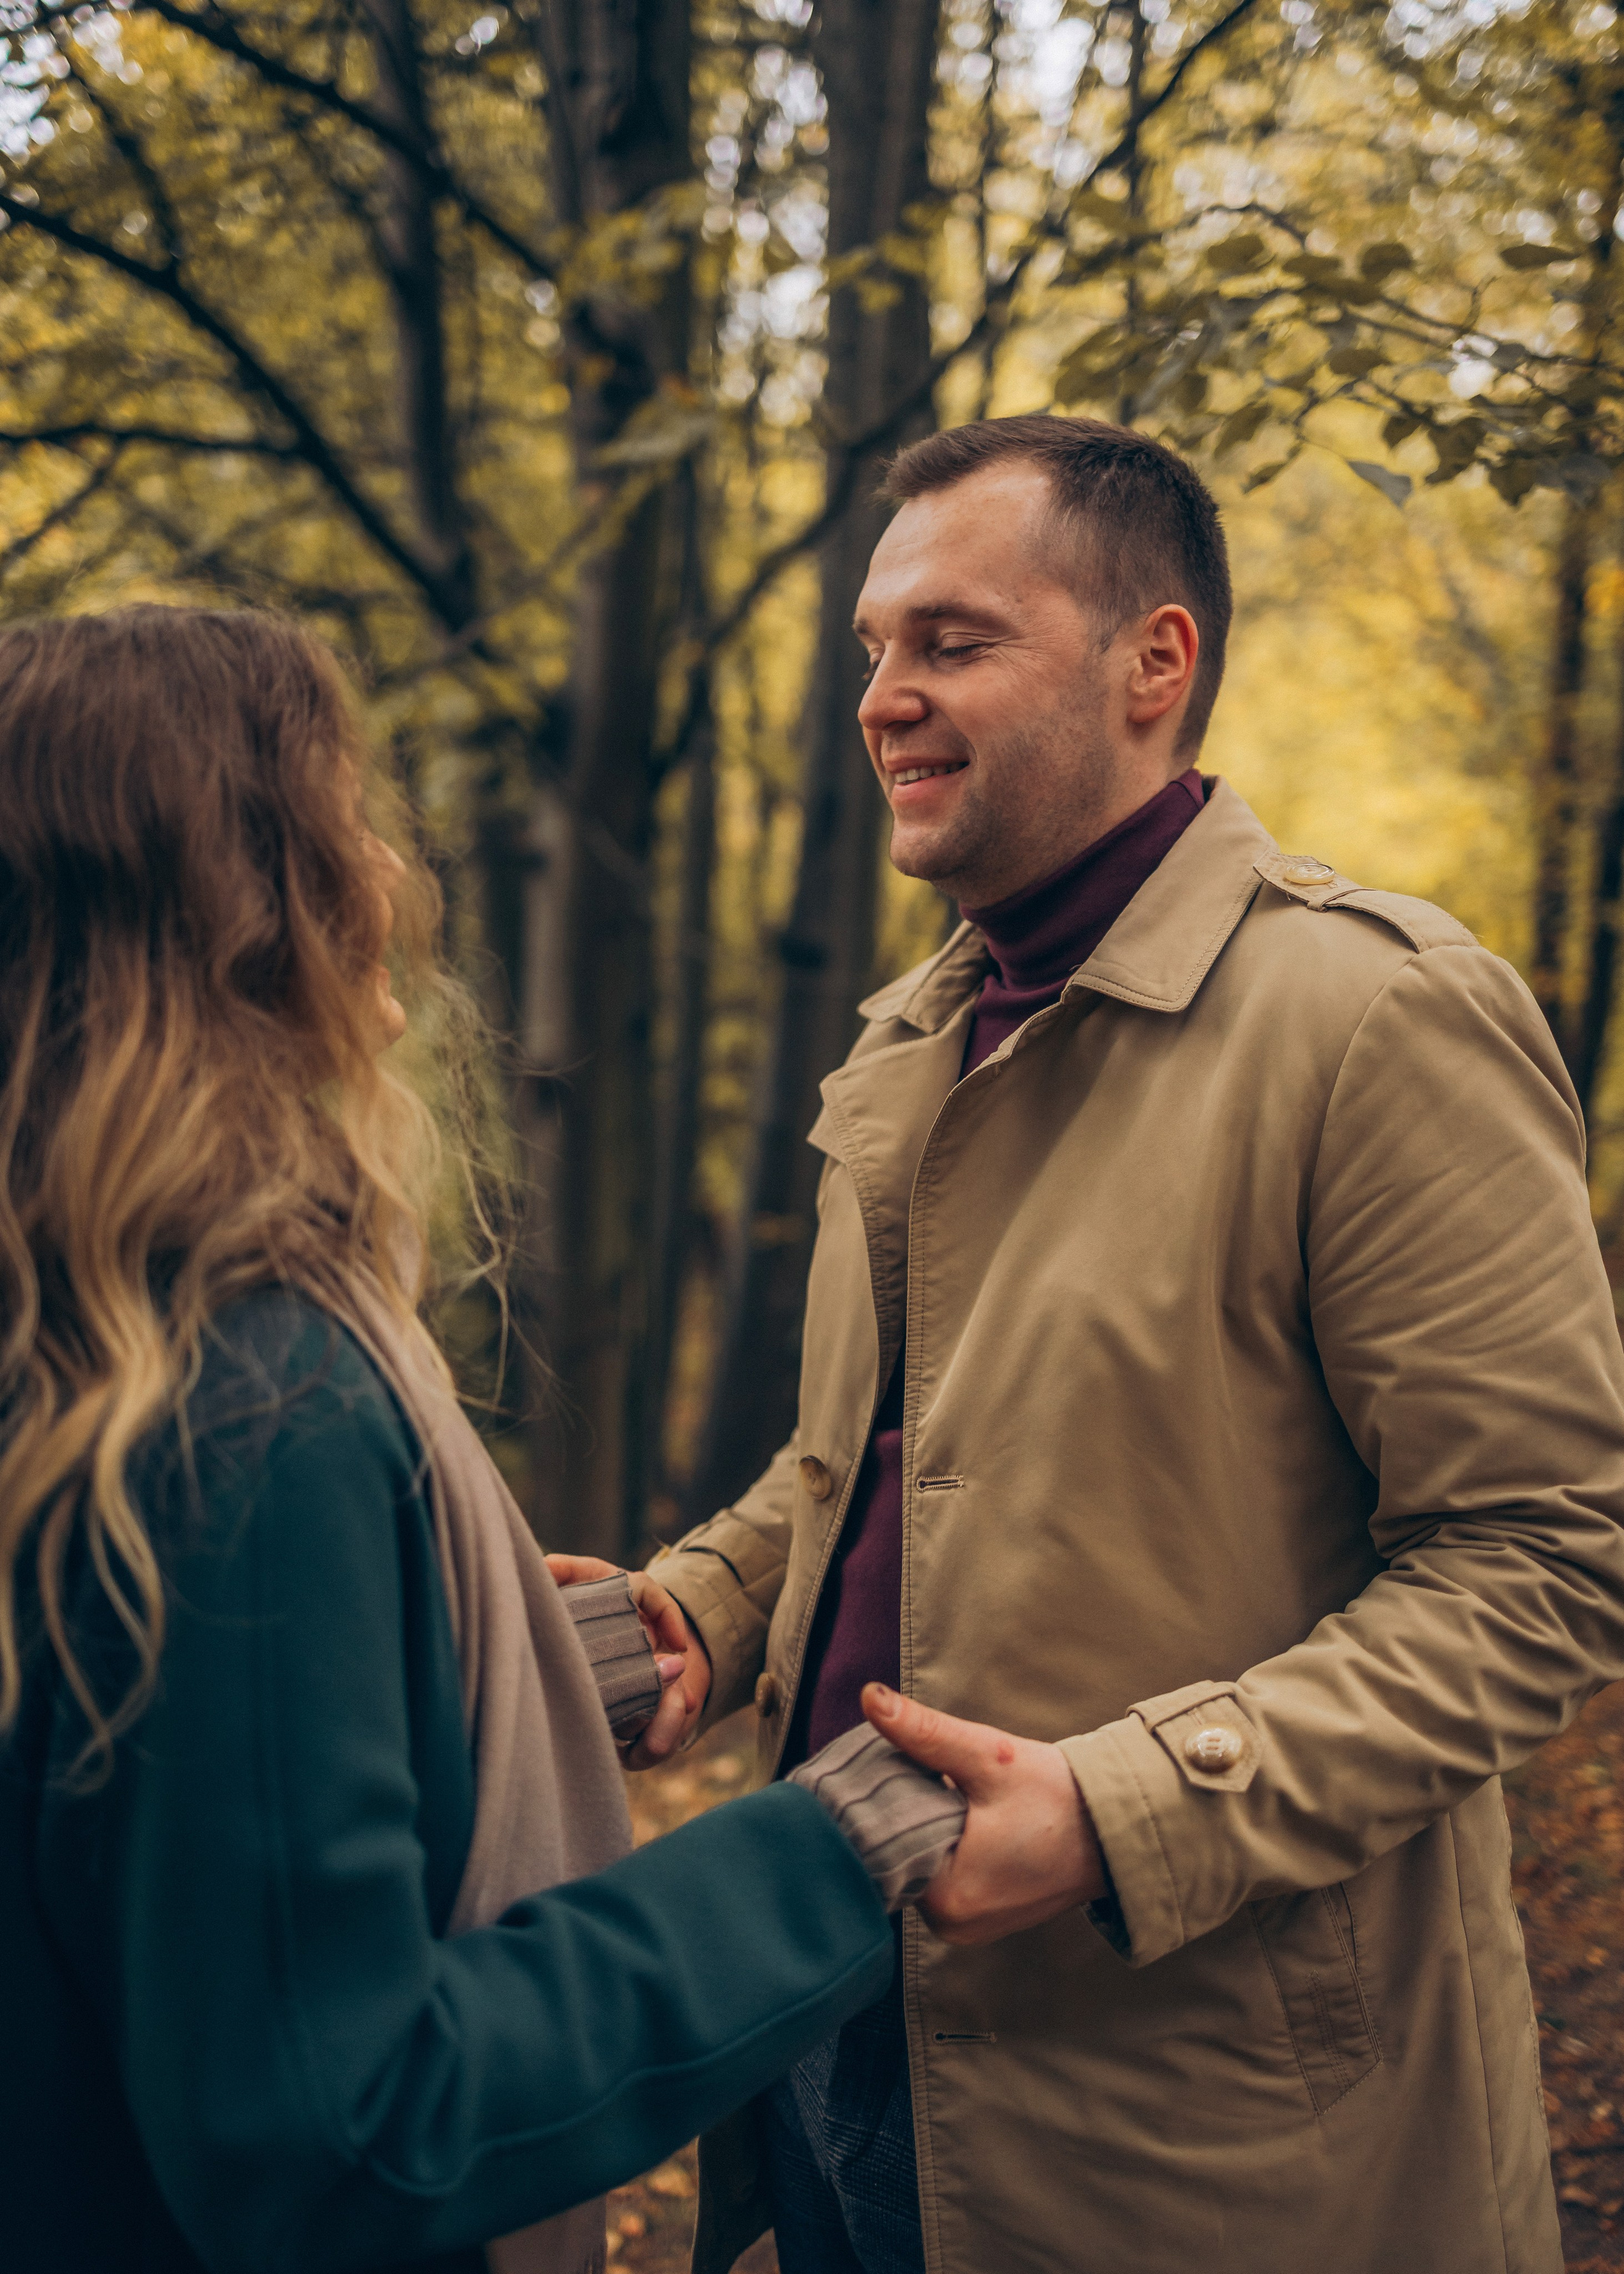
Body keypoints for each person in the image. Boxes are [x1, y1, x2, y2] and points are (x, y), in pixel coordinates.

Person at [624, 416, 1624, 2274]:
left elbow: (1545, 1567)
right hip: (840, 2041)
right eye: (873, 651)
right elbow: (872, 1461)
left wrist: (1119, 1809)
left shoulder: (1372, 1022)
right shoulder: (918, 1035)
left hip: (1200, 2117)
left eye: (953, 642)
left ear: (1153, 663)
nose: (887, 699)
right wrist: (710, 1603)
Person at [0, 605, 974, 2274]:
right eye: (341, 820)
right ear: (251, 908)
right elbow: (346, 2129)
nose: (386, 872)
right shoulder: (251, 1397)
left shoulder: (78, 1326)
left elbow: (117, 1787)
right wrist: (834, 1851)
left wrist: (503, 1665)